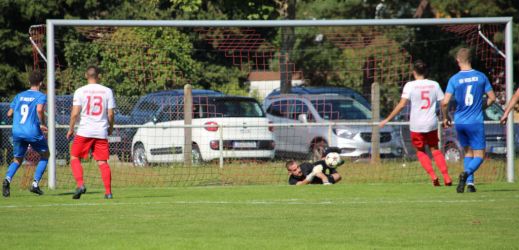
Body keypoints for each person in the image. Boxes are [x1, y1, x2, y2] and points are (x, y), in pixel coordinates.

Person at [380, 60, 452, 186]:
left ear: (414, 72)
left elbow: (402, 104)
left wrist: (387, 118)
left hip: (416, 125)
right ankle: (446, 177)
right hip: (431, 123)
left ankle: (433, 176)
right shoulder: (434, 84)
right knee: (435, 149)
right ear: (426, 72)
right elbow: (443, 103)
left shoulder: (410, 85)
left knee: (420, 151)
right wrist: (445, 117)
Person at [441, 48, 496, 193]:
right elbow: (492, 98)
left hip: (460, 122)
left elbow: (445, 102)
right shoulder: (481, 77)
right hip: (475, 121)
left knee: (468, 153)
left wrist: (445, 118)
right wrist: (481, 106)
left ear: (458, 60)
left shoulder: (454, 79)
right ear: (471, 60)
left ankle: (470, 184)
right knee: (479, 155)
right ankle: (466, 174)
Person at [66, 66, 115, 199]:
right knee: (102, 162)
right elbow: (110, 114)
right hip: (101, 132)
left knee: (75, 157)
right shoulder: (107, 91)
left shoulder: (80, 91)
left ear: (85, 75)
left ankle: (81, 184)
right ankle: (108, 192)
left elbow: (75, 113)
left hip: (84, 131)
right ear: (99, 76)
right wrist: (110, 128)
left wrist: (70, 129)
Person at [2, 71, 49, 197]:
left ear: (29, 82)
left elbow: (9, 114)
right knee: (45, 155)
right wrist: (43, 123)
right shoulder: (40, 96)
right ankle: (35, 184)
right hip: (32, 131)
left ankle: (7, 179)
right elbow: (39, 109)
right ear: (41, 83)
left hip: (17, 131)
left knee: (17, 159)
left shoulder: (19, 96)